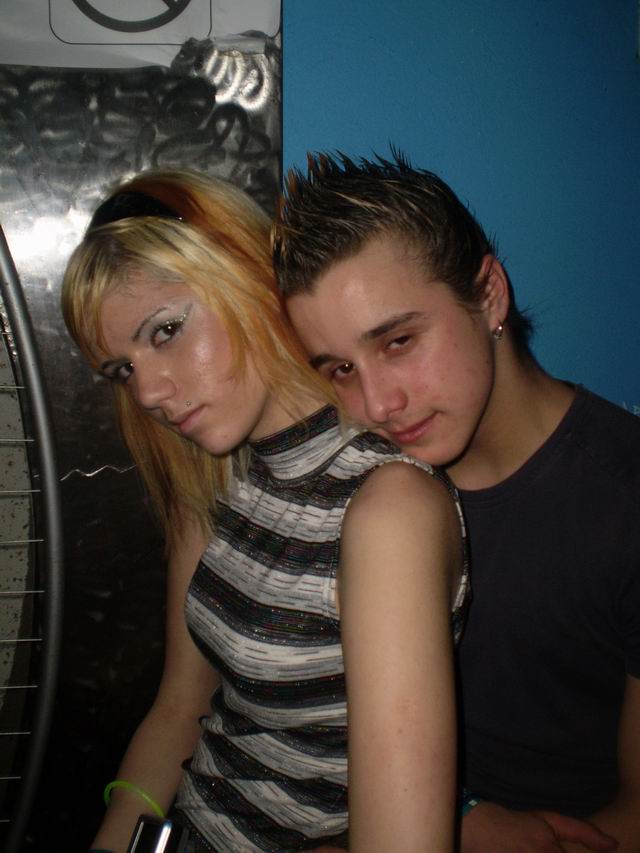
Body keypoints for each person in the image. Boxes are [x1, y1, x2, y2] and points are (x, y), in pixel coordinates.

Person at [61, 168, 470, 852]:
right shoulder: (217, 479)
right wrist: (119, 837)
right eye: (123, 370)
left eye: (166, 330)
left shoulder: (387, 507)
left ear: (247, 276)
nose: (149, 393)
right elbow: (180, 707)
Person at [274, 151, 640, 852]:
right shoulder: (356, 480)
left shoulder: (623, 500)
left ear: (490, 295)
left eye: (399, 341)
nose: (376, 404)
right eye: (342, 369)